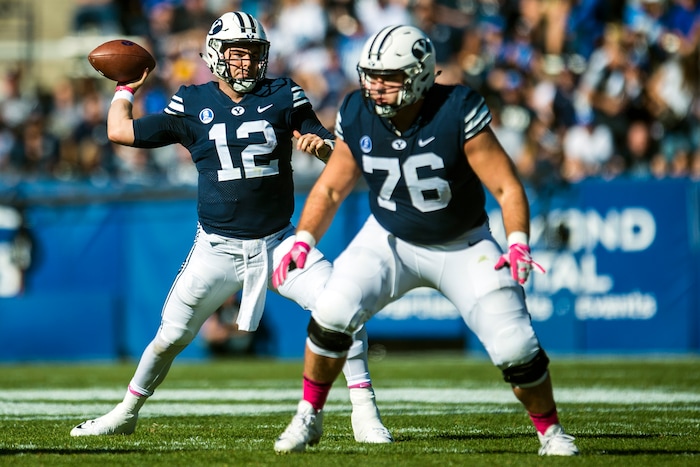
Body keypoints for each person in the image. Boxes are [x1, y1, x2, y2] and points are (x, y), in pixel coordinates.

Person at [69, 11, 392, 444]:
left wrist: (323, 147)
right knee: (169, 337)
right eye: (238, 53)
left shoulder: (284, 94)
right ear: (217, 55)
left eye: (254, 53)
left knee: (343, 310)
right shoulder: (193, 100)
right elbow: (120, 131)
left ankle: (365, 413)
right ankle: (125, 411)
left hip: (278, 242)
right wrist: (125, 89)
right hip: (216, 249)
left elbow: (334, 154)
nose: (247, 62)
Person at [272, 25, 579, 456]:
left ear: (419, 75)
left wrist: (517, 243)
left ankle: (551, 432)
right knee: (332, 309)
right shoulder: (356, 111)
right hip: (389, 238)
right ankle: (309, 415)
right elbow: (330, 188)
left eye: (389, 77)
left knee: (515, 345)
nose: (376, 86)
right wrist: (304, 239)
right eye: (371, 75)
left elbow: (508, 186)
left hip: (464, 244)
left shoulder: (456, 108)